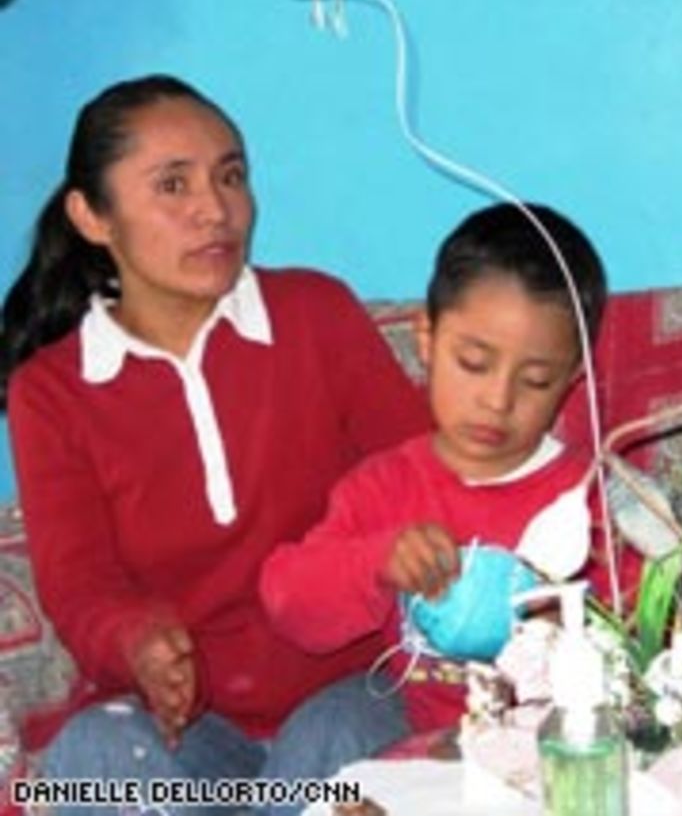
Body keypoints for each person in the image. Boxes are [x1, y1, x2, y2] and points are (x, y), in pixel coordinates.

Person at [1, 74, 431, 811]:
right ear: (92, 216)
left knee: (328, 744)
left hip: (349, 693)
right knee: (89, 754)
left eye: (230, 175)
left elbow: (421, 480)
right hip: (192, 737)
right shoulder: (52, 391)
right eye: (173, 184)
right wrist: (137, 640)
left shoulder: (314, 315)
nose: (215, 208)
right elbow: (79, 584)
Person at [260, 202, 627, 733]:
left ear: (574, 378)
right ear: (426, 340)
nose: (497, 401)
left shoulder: (591, 498)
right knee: (332, 723)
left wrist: (572, 628)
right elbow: (290, 604)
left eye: (537, 380)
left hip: (555, 745)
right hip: (412, 744)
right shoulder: (385, 487)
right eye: (474, 364)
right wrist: (378, 561)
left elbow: (642, 636)